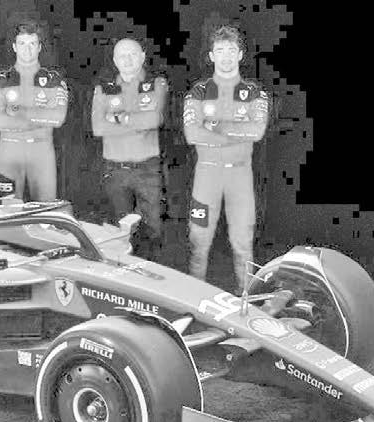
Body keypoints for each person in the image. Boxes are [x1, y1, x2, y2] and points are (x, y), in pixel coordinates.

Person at [183, 26, 270, 291]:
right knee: (198, 239)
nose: (226, 56)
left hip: (239, 176)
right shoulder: (198, 91)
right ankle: (194, 298)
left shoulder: (254, 92)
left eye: (231, 50)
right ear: (211, 56)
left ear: (240, 55)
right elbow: (192, 134)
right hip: (206, 176)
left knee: (243, 241)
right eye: (220, 50)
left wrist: (214, 127)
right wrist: (235, 131)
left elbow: (256, 131)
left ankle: (246, 298)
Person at [90, 38, 168, 259]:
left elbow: (154, 119)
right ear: (115, 60)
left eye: (132, 54)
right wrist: (136, 121)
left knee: (153, 229)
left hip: (148, 169)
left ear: (142, 56)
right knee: (120, 231)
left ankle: (151, 272)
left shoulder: (156, 83)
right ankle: (124, 271)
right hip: (115, 170)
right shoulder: (104, 88)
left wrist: (117, 118)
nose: (127, 60)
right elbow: (98, 127)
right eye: (122, 55)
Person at [0, 21, 68, 201]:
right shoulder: (1, 80)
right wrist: (39, 116)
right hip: (10, 152)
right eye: (22, 43)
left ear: (39, 47)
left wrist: (18, 113)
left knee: (46, 210)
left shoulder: (53, 79)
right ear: (14, 47)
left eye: (32, 43)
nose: (27, 49)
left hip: (42, 152)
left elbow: (58, 118)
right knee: (8, 211)